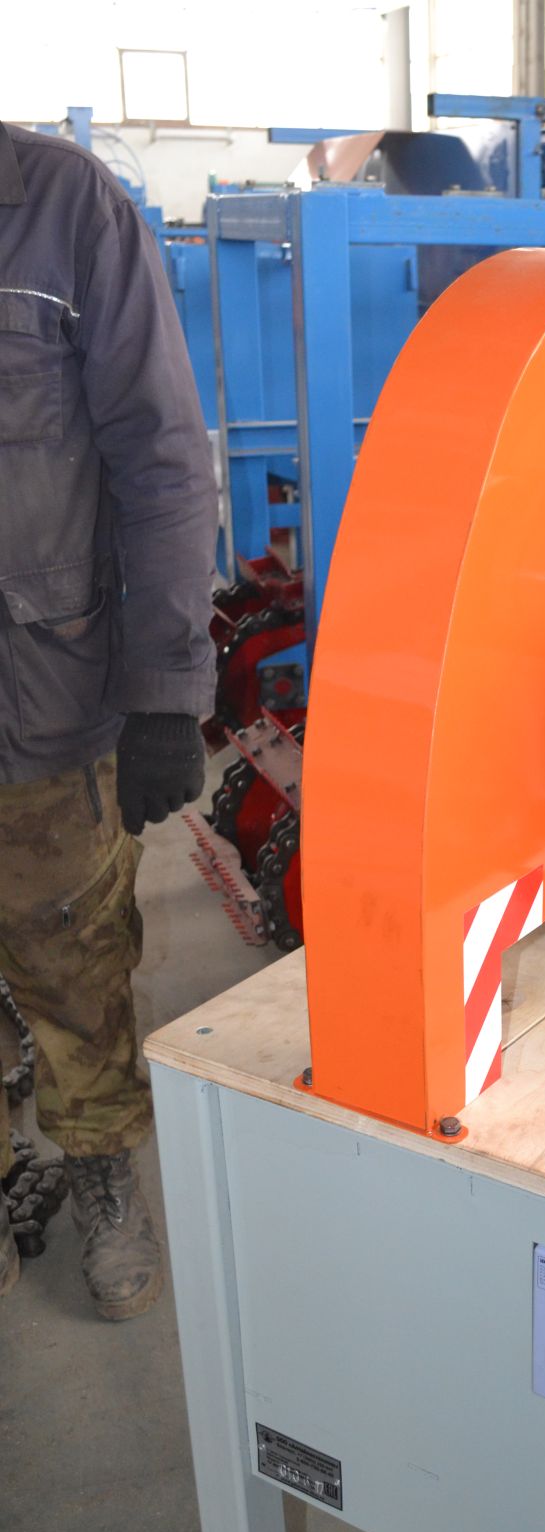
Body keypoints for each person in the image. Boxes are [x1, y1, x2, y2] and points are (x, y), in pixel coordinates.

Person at [0, 118, 217, 1319]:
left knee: (74, 967)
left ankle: (99, 1169)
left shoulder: (67, 211)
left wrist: (165, 693)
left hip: (43, 702)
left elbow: (164, 462)